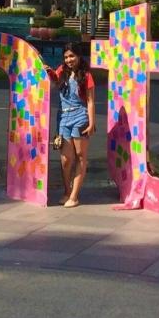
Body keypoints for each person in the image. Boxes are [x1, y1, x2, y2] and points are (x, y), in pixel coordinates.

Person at [48, 45, 95, 207]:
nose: (69, 60)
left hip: (80, 116)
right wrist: (47, 72)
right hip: (63, 117)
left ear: (79, 56)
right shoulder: (61, 71)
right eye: (66, 57)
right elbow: (52, 82)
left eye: (72, 56)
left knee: (81, 156)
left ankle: (74, 196)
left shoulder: (86, 75)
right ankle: (67, 191)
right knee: (66, 159)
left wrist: (92, 123)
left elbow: (90, 101)